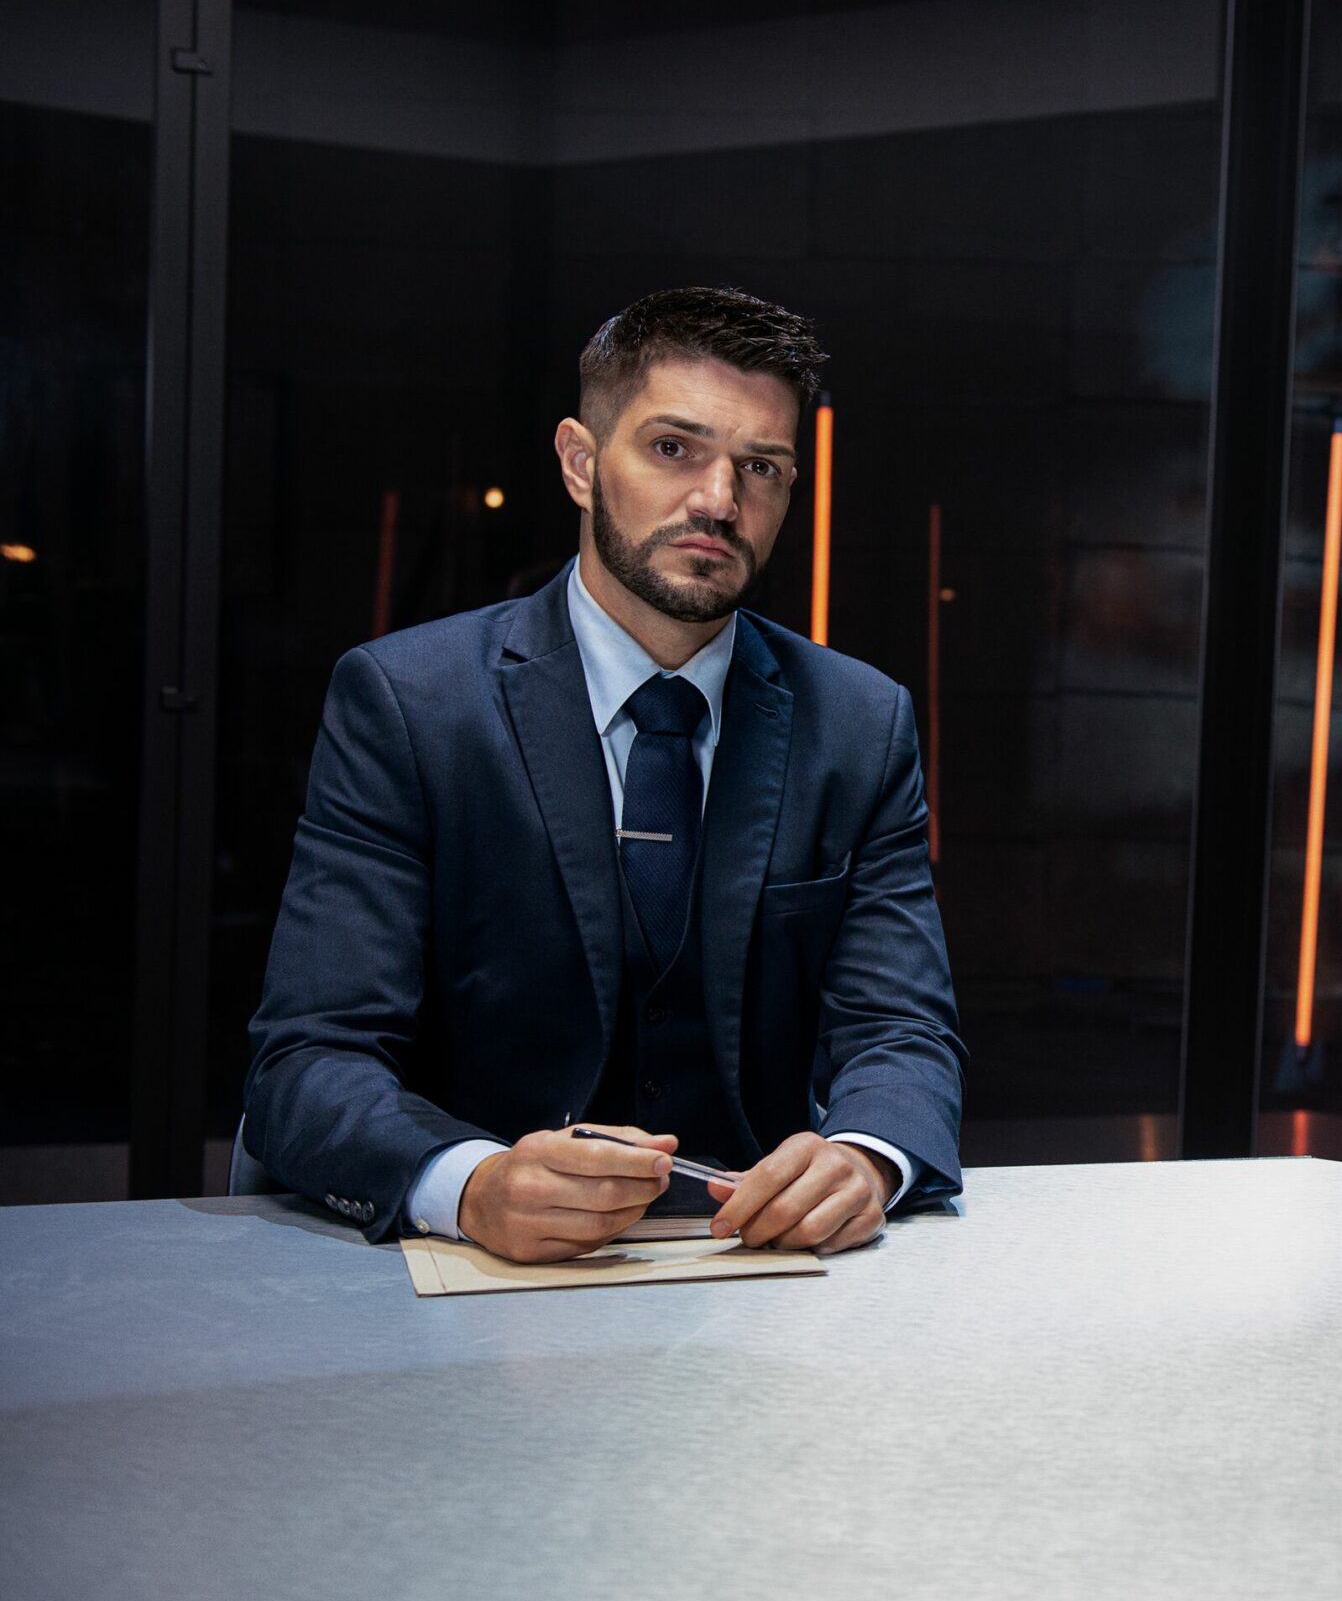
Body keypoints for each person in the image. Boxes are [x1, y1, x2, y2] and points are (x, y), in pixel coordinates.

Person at [245, 286, 963, 1262]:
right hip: (468, 1277)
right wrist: (471, 1182)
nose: (718, 498)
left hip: (754, 1271)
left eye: (761, 466)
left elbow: (902, 1030)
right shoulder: (410, 703)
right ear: (581, 462)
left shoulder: (859, 721)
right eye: (674, 449)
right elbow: (309, 1058)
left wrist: (868, 1157)